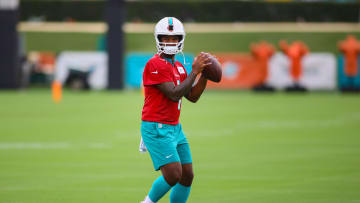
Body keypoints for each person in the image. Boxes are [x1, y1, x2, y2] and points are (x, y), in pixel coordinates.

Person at [140, 17, 212, 203]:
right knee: (173, 175)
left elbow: (192, 96)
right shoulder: (154, 64)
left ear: (181, 39)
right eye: (166, 38)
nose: (170, 42)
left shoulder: (179, 66)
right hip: (157, 127)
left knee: (187, 175)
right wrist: (195, 71)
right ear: (158, 39)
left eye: (174, 38)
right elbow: (174, 94)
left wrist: (204, 75)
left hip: (174, 127)